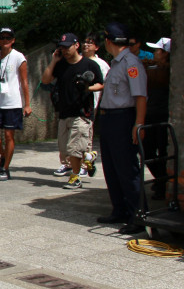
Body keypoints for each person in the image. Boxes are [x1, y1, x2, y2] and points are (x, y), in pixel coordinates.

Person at [97, 22, 148, 233]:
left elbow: (141, 96)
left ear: (109, 41)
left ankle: (138, 216)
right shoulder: (116, 63)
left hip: (123, 119)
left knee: (127, 169)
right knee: (111, 168)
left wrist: (139, 123)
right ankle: (120, 210)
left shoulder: (131, 63)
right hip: (109, 119)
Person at [41, 33, 103, 191]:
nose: (65, 50)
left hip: (82, 113)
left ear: (76, 45)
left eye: (67, 47)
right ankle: (89, 157)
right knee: (65, 150)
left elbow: (101, 84)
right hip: (64, 112)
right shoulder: (61, 65)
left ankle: (75, 177)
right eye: (62, 47)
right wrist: (54, 60)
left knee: (73, 148)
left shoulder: (89, 65)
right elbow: (45, 80)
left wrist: (87, 88)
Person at [0, 26, 31, 181]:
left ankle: (5, 168)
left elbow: (24, 82)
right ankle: (4, 155)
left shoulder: (18, 57)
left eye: (8, 38)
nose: (5, 40)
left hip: (12, 103)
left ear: (13, 40)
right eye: (2, 37)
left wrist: (27, 104)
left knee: (9, 135)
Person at [142, 37, 171, 199]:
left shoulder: (169, 70)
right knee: (148, 151)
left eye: (157, 51)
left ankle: (163, 183)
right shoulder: (152, 67)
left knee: (164, 152)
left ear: (166, 54)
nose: (154, 53)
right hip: (150, 114)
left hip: (162, 115)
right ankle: (161, 180)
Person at [80, 32, 110, 177]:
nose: (86, 45)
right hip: (76, 102)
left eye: (90, 42)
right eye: (84, 42)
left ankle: (86, 164)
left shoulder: (102, 65)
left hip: (93, 103)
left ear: (97, 47)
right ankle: (73, 163)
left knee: (86, 133)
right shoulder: (77, 61)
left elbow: (104, 85)